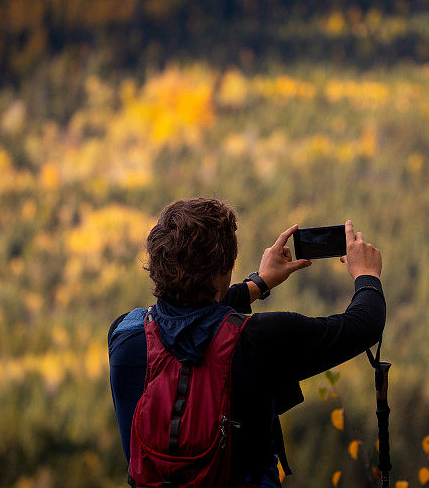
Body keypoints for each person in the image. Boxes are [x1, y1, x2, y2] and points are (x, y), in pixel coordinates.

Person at [108, 197, 385, 487]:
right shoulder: (259, 340)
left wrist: (260, 283)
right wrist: (367, 274)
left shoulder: (125, 336)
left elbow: (183, 318)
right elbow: (363, 326)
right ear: (225, 270)